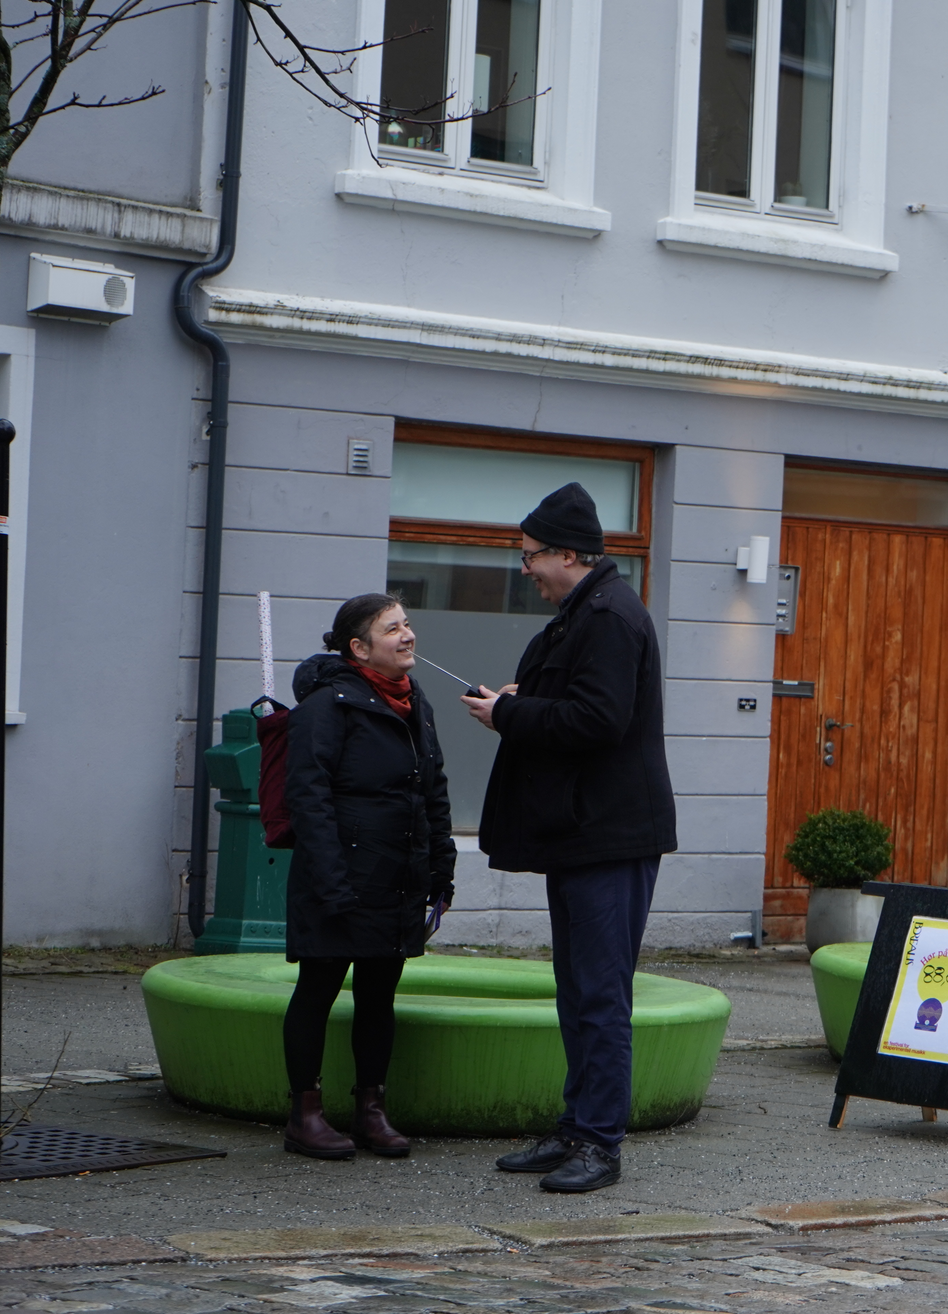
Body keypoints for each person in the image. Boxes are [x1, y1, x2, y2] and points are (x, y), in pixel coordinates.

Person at [463, 483, 676, 1193]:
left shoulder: (609, 616)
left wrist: (509, 716)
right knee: (577, 991)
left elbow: (598, 721)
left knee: (600, 995)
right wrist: (519, 702)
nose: (524, 568)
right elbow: (579, 706)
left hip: (608, 837)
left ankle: (599, 1143)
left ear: (568, 554)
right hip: (583, 833)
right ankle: (576, 1126)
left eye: (530, 556)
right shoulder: (583, 613)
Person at [281, 594, 456, 1161]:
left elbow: (432, 788)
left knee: (379, 995)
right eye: (392, 629)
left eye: (407, 624)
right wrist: (332, 884)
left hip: (396, 875)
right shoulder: (325, 707)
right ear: (359, 648)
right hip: (338, 877)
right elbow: (308, 799)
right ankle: (305, 1115)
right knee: (318, 990)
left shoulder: (414, 701)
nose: (407, 635)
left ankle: (370, 1111)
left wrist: (441, 865)